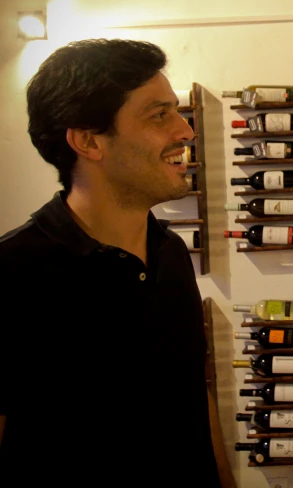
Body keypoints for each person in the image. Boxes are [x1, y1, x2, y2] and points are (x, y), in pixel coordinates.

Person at [0, 39, 223, 484]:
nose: (185, 131)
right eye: (159, 115)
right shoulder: (13, 272)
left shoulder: (170, 253)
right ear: (88, 141)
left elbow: (195, 395)